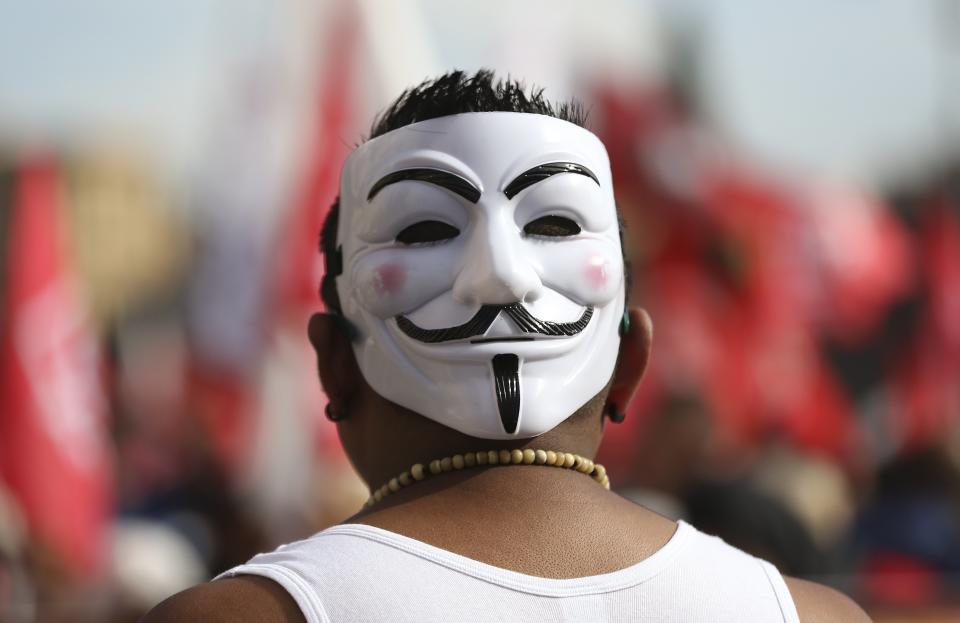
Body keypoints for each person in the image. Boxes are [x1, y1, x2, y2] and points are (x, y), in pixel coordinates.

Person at [143, 70, 871, 622]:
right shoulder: (810, 616)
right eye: (425, 228)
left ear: (330, 362)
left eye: (550, 224)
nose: (497, 272)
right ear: (632, 362)